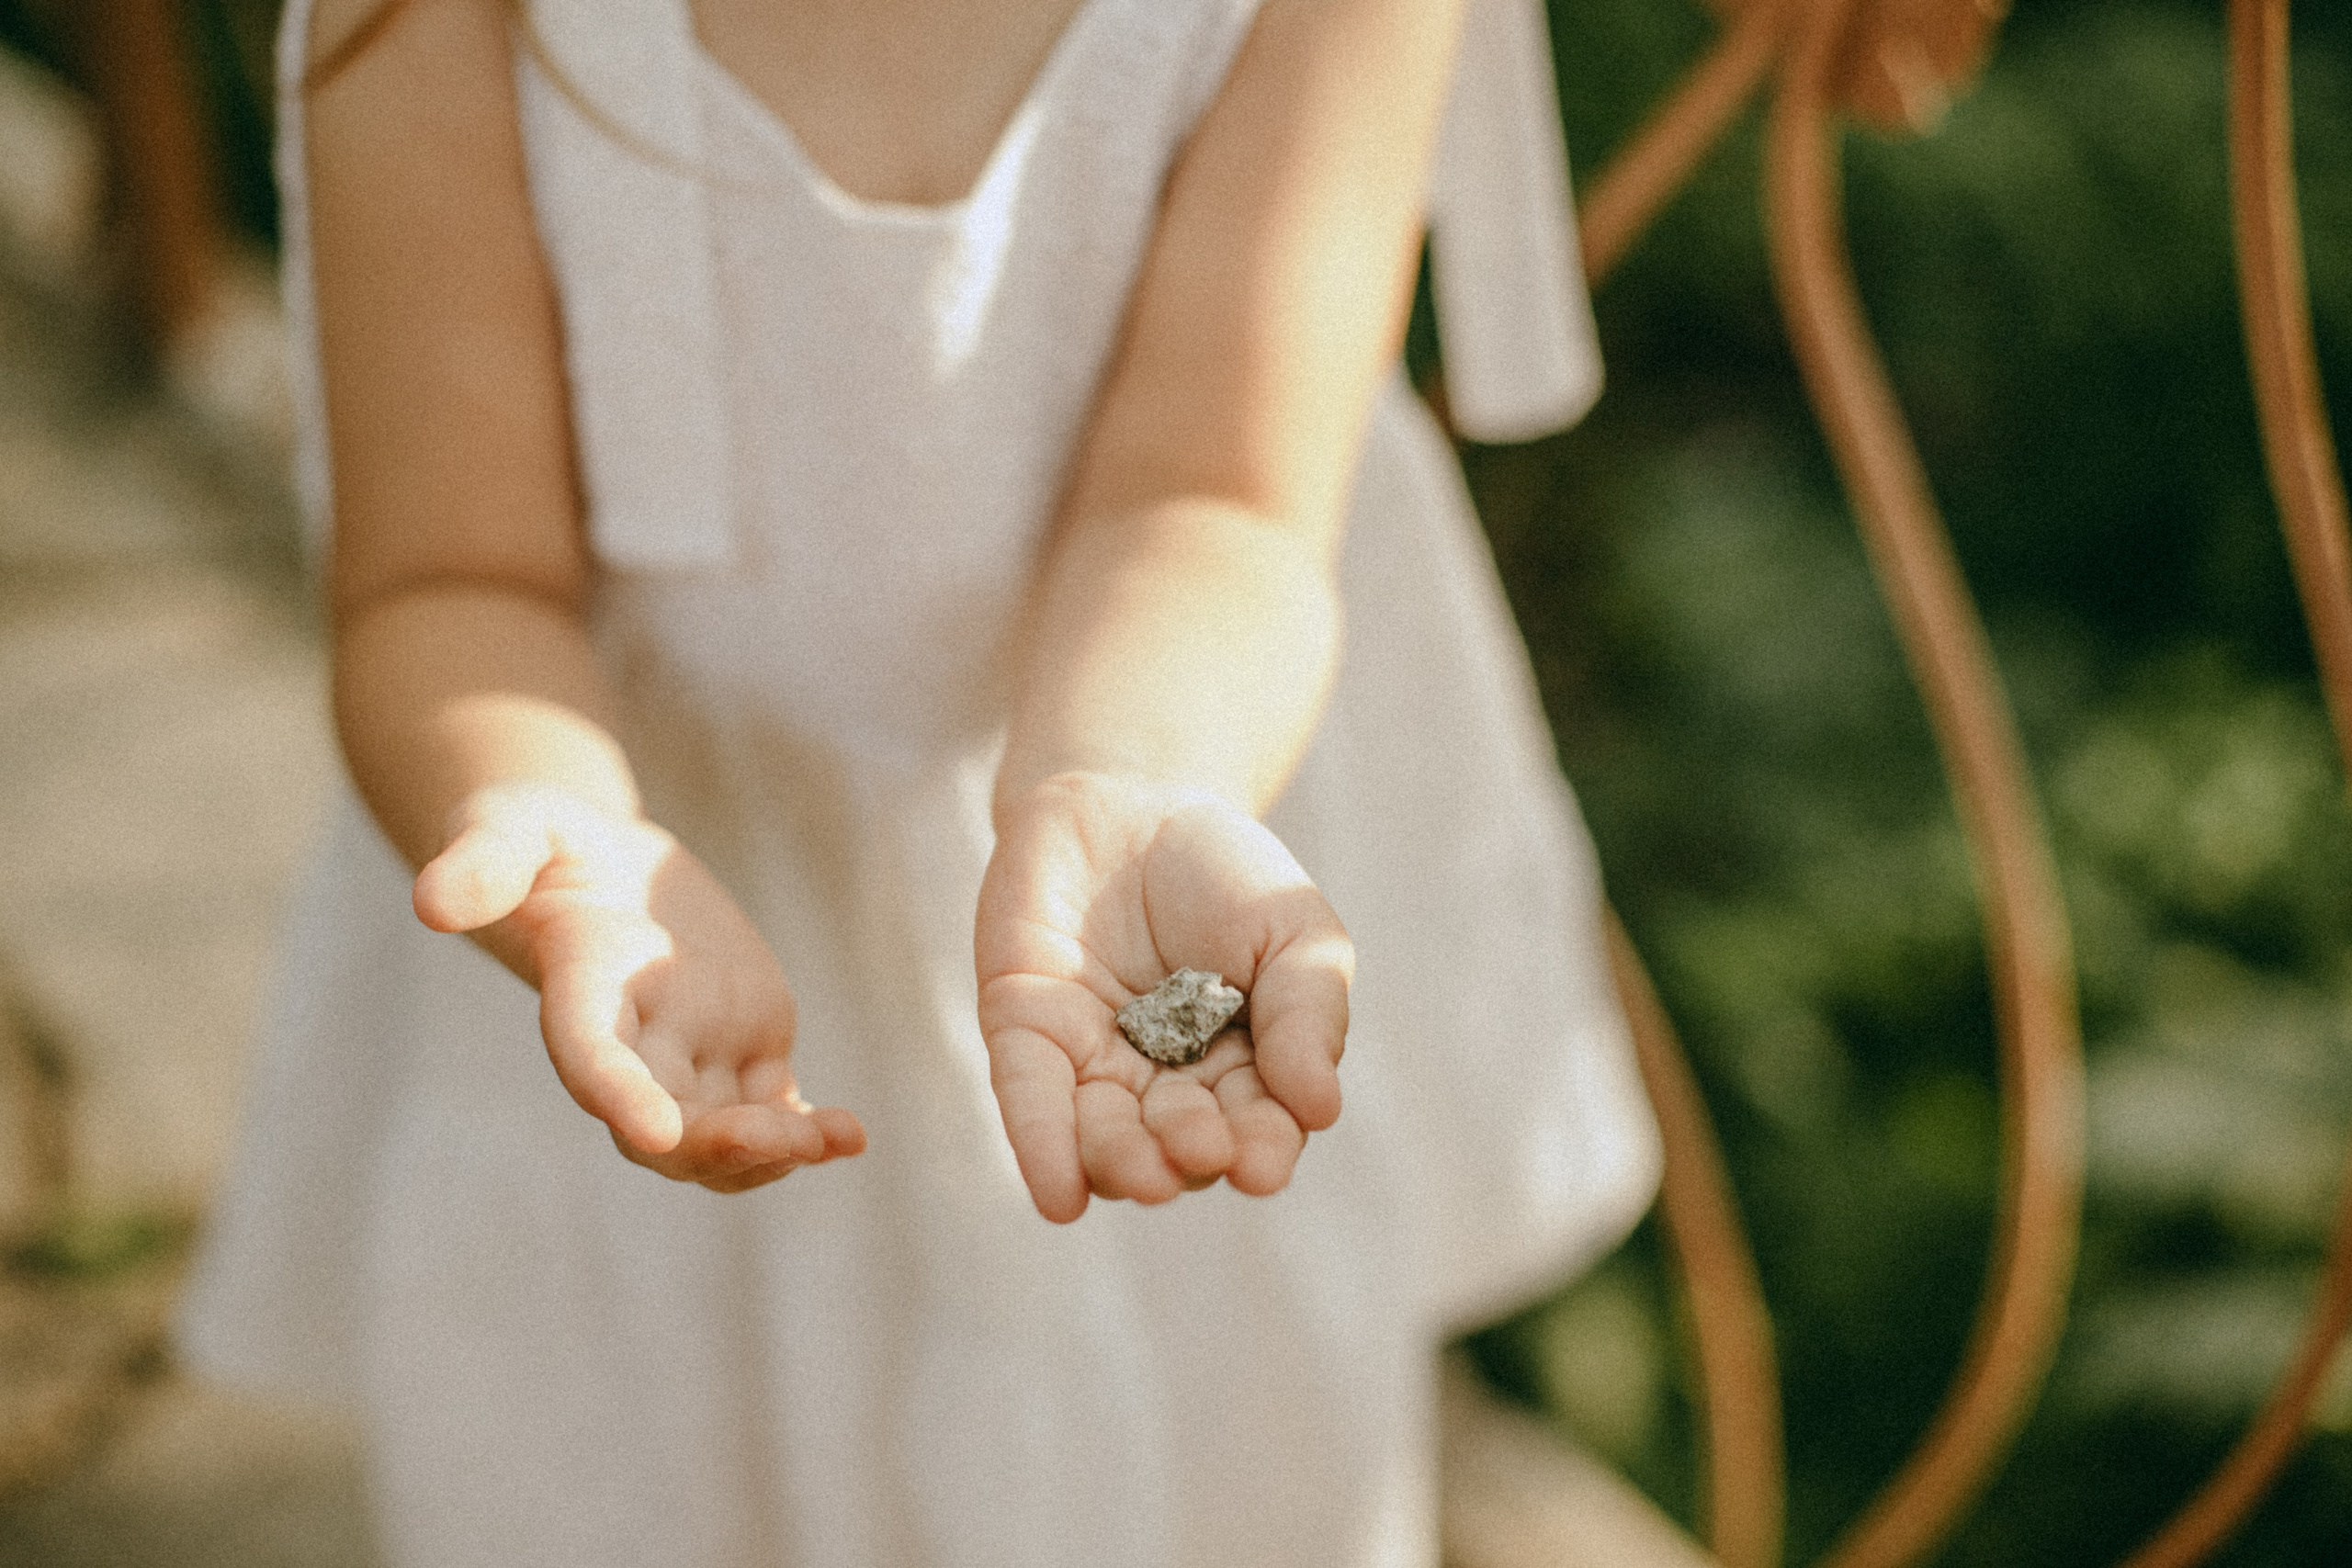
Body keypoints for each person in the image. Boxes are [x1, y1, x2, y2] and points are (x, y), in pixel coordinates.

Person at [178, 0, 1661, 1562]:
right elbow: (452, 578)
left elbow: (1216, 496)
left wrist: (1125, 784)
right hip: (671, 904)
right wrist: (556, 831)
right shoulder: (427, 23)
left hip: (1141, 785)